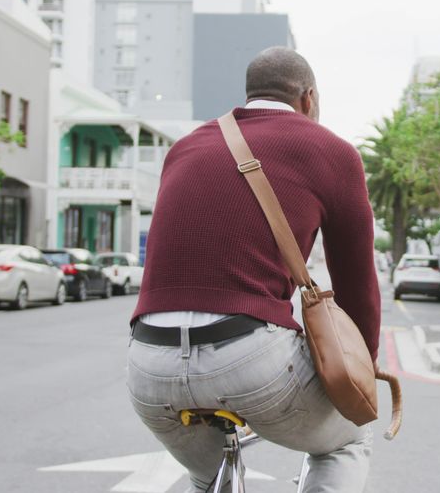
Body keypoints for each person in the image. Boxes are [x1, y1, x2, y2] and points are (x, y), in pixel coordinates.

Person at [126, 47, 382, 492]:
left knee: (207, 477)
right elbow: (357, 286)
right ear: (308, 98)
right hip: (246, 354)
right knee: (348, 440)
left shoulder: (186, 147)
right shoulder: (332, 151)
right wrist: (363, 371)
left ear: (250, 95)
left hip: (148, 363)